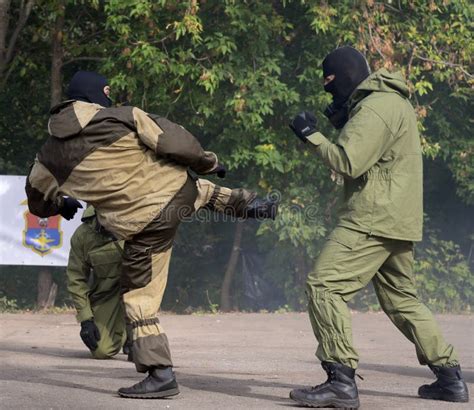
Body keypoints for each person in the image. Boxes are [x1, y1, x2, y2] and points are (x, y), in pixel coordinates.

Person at [26, 71, 277, 399]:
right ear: (97, 98)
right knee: (196, 189)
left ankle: (160, 374)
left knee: (138, 297)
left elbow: (37, 201)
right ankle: (251, 204)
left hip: (143, 224)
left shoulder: (48, 156)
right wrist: (207, 161)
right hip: (176, 193)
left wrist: (60, 204)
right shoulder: (124, 115)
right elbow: (174, 141)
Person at [288, 46, 469, 408]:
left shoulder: (374, 107)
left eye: (330, 82)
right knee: (403, 300)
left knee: (324, 286)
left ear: (347, 74)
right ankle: (449, 378)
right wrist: (345, 121)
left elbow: (349, 162)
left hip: (371, 217)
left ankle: (340, 381)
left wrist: (311, 134)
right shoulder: (389, 102)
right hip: (397, 218)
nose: (328, 91)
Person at [67, 205, 131, 360]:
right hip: (107, 294)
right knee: (101, 350)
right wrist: (86, 320)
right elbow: (76, 279)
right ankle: (124, 333)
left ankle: (135, 333)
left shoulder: (136, 223)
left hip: (137, 289)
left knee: (145, 351)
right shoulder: (82, 236)